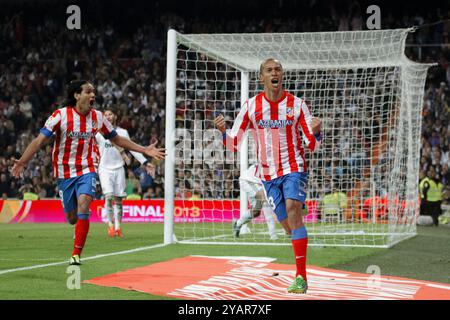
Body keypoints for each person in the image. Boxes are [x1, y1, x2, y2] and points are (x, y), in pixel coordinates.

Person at [11, 80, 165, 266]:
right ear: (77, 95)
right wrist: (23, 161)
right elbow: (39, 141)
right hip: (64, 172)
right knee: (71, 218)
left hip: (88, 168)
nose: (93, 95)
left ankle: (76, 254)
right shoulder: (60, 115)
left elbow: (118, 139)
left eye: (93, 92)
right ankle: (77, 212)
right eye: (88, 92)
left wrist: (144, 150)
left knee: (84, 203)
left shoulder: (98, 117)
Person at [214, 58, 322, 294]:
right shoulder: (251, 106)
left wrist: (317, 132)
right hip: (267, 175)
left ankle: (301, 278)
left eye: (278, 69)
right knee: (288, 227)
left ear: (282, 75)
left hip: (294, 167)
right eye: (270, 70)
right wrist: (223, 131)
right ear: (261, 77)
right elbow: (233, 145)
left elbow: (311, 145)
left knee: (293, 208)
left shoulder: (297, 105)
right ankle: (298, 245)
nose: (275, 73)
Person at [95, 108, 154, 238]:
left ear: (115, 116)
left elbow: (132, 149)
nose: (108, 116)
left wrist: (145, 162)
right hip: (104, 169)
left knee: (118, 200)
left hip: (119, 168)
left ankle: (118, 227)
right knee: (109, 196)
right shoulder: (98, 133)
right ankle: (110, 225)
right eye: (105, 115)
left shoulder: (122, 132)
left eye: (110, 114)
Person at [234, 163, 284, 240]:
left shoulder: (276, 167)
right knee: (264, 199)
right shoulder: (268, 166)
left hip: (257, 183)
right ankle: (273, 235)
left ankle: (238, 223)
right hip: (247, 181)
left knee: (256, 212)